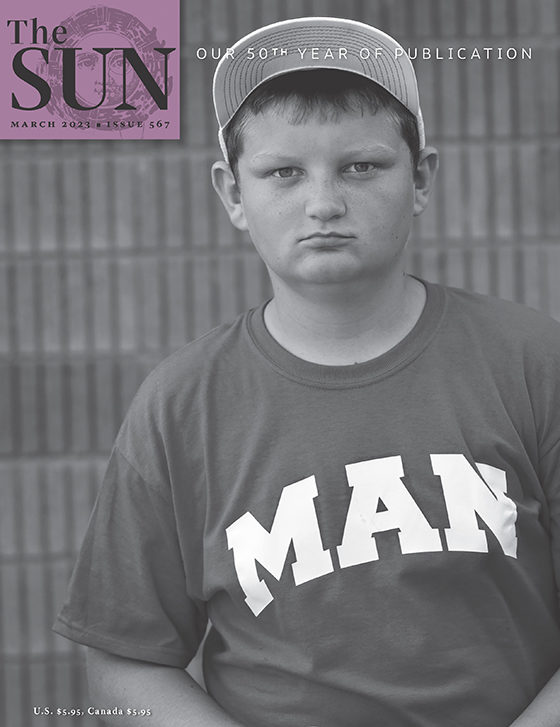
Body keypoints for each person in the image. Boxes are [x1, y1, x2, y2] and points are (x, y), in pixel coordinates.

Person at [53, 17, 560, 727]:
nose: (324, 202)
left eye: (362, 165)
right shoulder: (181, 405)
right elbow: (126, 657)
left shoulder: (534, 361)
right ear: (233, 192)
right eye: (283, 172)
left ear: (420, 177)